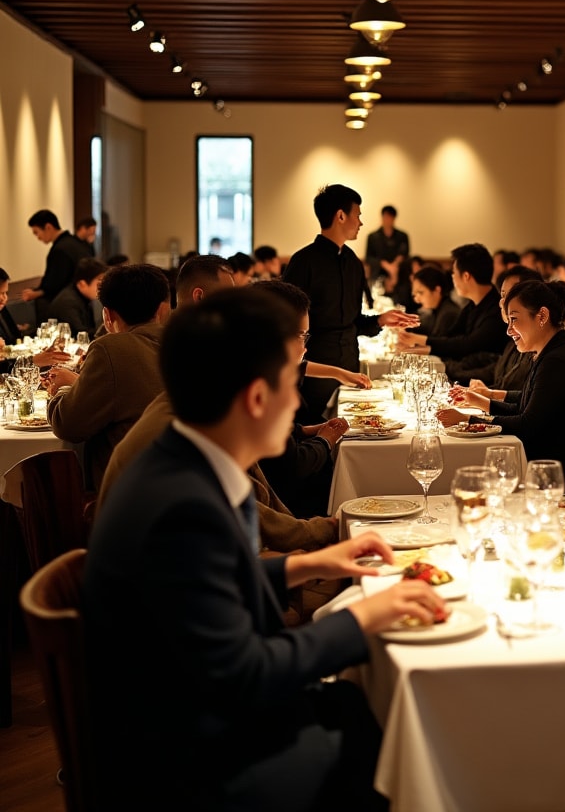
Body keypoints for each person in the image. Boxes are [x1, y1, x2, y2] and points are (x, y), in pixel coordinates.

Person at [84, 287, 445, 811]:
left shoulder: (187, 457)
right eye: (289, 384)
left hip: (184, 709)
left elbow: (206, 593)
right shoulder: (183, 505)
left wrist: (310, 564)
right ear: (256, 397)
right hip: (188, 765)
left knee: (357, 703)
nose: (297, 401)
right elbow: (244, 674)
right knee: (392, 745)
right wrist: (364, 618)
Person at [99, 256, 341, 556]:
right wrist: (322, 537)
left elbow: (259, 505)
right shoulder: (183, 443)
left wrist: (320, 539)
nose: (293, 401)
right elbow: (225, 580)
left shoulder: (204, 408)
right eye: (283, 384)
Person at [439, 279, 565, 492]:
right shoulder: (550, 351)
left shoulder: (557, 360)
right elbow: (526, 406)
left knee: (476, 480)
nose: (509, 330)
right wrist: (482, 401)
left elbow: (527, 425)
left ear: (542, 316)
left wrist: (469, 419)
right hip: (558, 466)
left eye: (514, 319)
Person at [283, 184, 418, 418]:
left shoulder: (352, 262)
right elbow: (286, 324)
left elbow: (355, 324)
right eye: (358, 215)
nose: (361, 222)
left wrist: (381, 320)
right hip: (314, 373)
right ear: (341, 216)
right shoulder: (303, 262)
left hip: (349, 366)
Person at [46, 263, 170, 489]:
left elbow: (68, 425)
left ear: (107, 314)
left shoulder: (110, 348)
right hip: (184, 484)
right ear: (163, 309)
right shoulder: (187, 342)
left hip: (128, 494)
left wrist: (63, 389)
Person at [252, 279, 351, 519]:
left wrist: (305, 431)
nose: (305, 346)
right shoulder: (258, 385)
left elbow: (273, 441)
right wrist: (325, 440)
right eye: (301, 335)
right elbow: (290, 467)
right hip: (282, 507)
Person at [397, 243, 507, 370]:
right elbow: (450, 337)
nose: (452, 277)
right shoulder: (472, 305)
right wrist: (417, 345)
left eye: (454, 273)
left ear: (466, 276)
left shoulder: (496, 310)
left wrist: (419, 340)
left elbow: (467, 345)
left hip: (481, 381)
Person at [447, 264, 543, 389]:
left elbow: (515, 395)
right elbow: (497, 368)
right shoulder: (515, 338)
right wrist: (456, 373)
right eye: (502, 295)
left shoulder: (536, 347)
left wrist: (485, 394)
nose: (502, 302)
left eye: (509, 295)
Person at [20, 209, 94, 316]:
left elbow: (56, 282)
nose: (38, 237)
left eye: (37, 232)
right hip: (83, 301)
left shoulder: (60, 249)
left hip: (68, 306)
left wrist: (38, 292)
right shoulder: (75, 242)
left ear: (48, 227)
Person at [46, 257, 106, 337]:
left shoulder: (82, 297)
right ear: (82, 284)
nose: (102, 288)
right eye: (99, 284)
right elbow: (80, 335)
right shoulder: (68, 302)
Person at [364, 204, 410, 296]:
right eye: (385, 217)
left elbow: (405, 254)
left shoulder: (402, 236)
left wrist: (394, 266)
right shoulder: (373, 237)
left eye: (390, 217)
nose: (387, 220)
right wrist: (385, 264)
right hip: (378, 275)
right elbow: (368, 257)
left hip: (399, 276)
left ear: (394, 218)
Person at [410, 263, 461, 338]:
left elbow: (439, 345)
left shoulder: (449, 314)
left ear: (437, 290)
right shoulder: (439, 309)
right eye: (415, 294)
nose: (417, 299)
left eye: (420, 293)